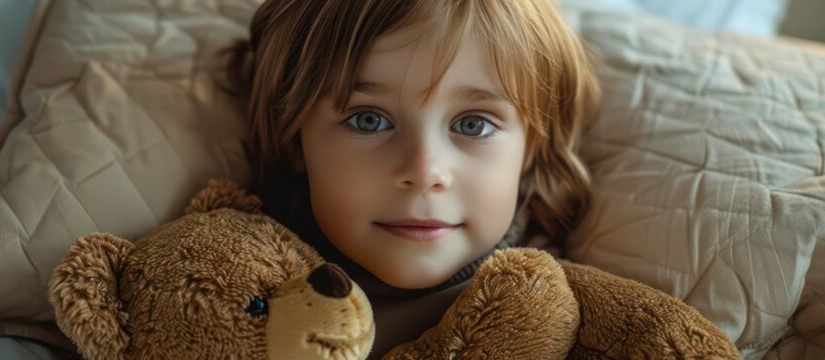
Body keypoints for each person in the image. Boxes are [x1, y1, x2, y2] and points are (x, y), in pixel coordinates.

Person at [226, 0, 600, 355]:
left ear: (531, 146)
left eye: (473, 124)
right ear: (293, 138)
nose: (424, 172)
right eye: (368, 119)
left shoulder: (569, 315)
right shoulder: (245, 290)